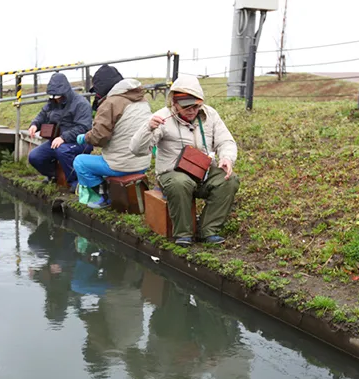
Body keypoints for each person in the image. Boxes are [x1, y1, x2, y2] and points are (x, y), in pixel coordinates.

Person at [130, 75, 239, 246]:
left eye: (196, 106)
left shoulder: (210, 115)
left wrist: (226, 157)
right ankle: (183, 234)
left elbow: (225, 140)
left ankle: (208, 230)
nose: (192, 110)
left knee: (229, 180)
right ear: (174, 103)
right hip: (172, 173)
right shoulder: (161, 118)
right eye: (186, 107)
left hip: (202, 171)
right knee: (180, 183)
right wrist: (148, 129)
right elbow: (136, 150)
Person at [73, 65, 152, 209]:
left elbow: (99, 137)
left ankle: (103, 197)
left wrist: (85, 137)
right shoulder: (142, 100)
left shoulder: (110, 103)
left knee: (80, 162)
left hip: (121, 165)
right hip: (143, 164)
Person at [27, 73, 93, 191]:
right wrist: (34, 125)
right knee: (34, 157)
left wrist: (64, 137)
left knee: (63, 150)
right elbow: (42, 115)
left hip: (80, 142)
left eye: (57, 96)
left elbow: (84, 127)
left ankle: (75, 183)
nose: (55, 98)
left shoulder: (81, 104)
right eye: (53, 96)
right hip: (57, 141)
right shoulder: (52, 103)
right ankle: (54, 175)